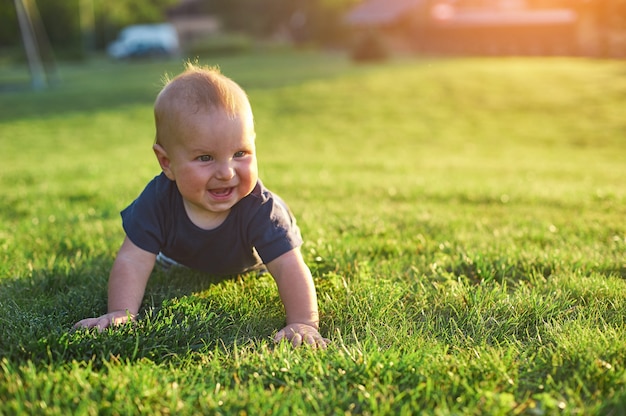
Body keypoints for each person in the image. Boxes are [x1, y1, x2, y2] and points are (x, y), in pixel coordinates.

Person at [74, 63, 329, 348]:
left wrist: (303, 322)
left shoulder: (260, 208)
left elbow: (288, 267)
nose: (227, 172)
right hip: (181, 256)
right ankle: (174, 257)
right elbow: (132, 259)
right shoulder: (158, 201)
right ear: (167, 163)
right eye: (206, 158)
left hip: (251, 261)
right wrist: (121, 313)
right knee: (157, 256)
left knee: (281, 249)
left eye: (240, 153)